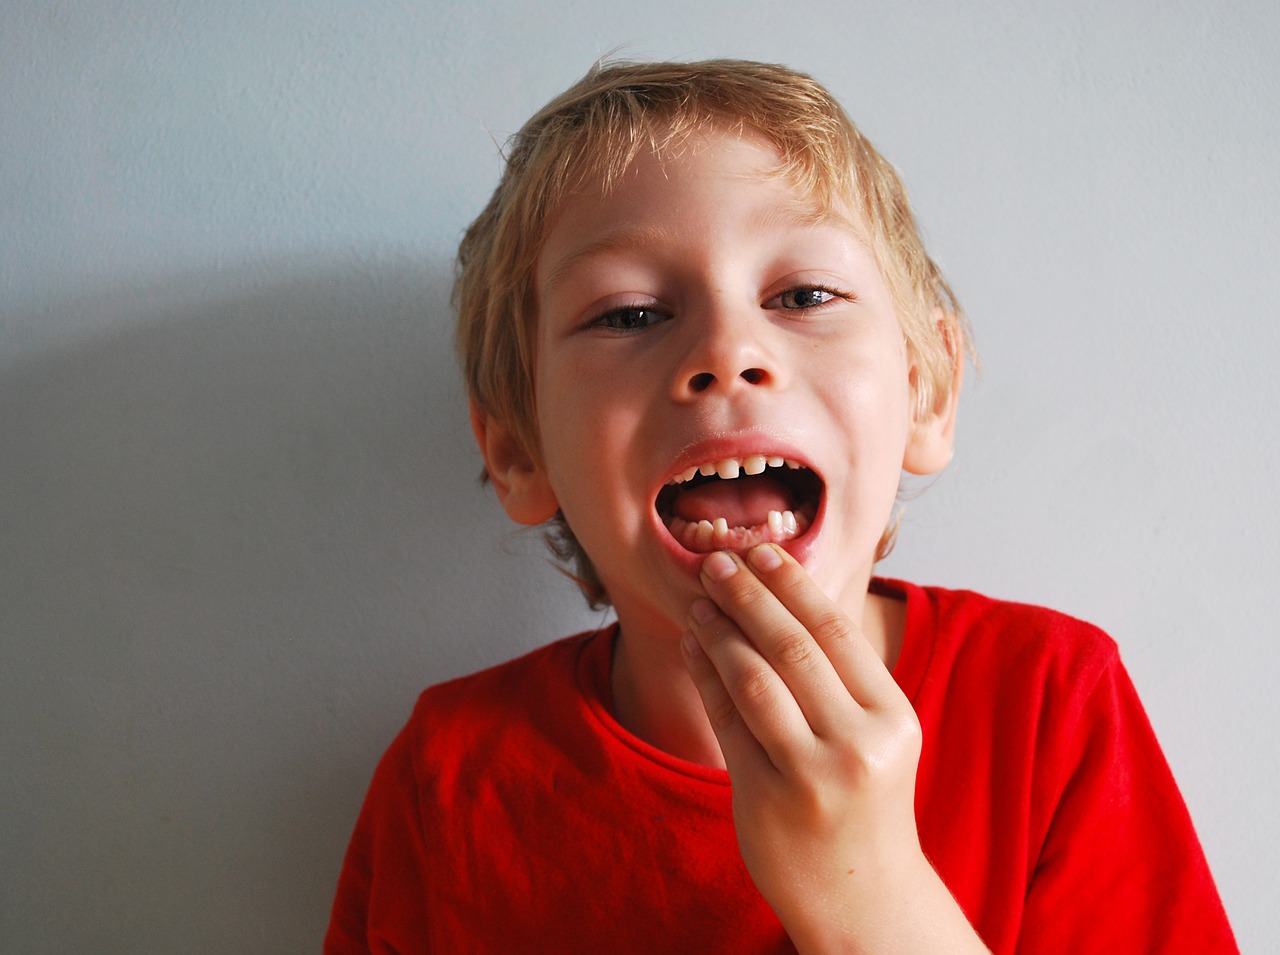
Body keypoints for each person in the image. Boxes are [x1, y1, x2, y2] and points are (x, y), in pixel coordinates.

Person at [325, 59, 1236, 953]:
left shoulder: (1049, 708)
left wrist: (869, 890)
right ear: (521, 451)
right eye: (631, 313)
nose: (729, 350)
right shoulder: (447, 780)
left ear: (927, 392)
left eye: (805, 295)